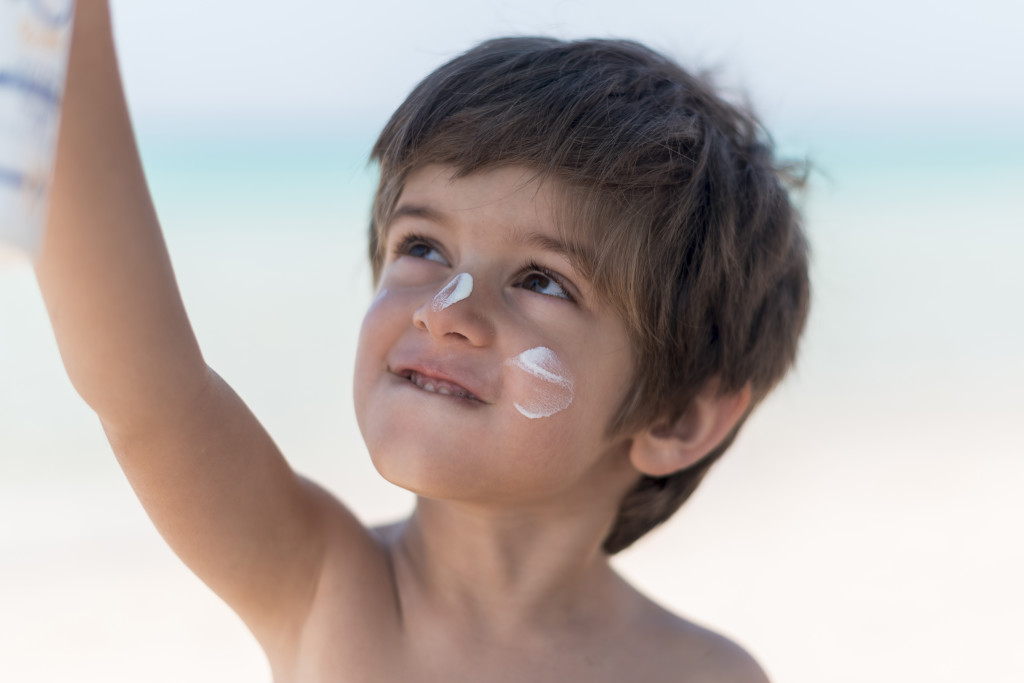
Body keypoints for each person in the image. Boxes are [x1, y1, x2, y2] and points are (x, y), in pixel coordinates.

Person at [35, 2, 809, 681]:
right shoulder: (321, 586)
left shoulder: (708, 675)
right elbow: (149, 392)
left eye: (542, 279)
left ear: (676, 418)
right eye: (423, 248)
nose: (445, 310)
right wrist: (67, 28)